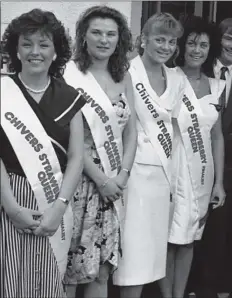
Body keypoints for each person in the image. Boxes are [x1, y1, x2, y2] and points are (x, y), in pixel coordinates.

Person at [0, 8, 86, 297]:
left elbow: (76, 158)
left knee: (47, 282)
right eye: (26, 43)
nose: (35, 52)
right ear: (16, 49)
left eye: (44, 44)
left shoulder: (70, 97)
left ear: (55, 51)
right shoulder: (3, 91)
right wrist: (12, 208)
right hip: (7, 200)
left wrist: (59, 208)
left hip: (54, 199)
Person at [62, 6, 137, 298]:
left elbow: (132, 131)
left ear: (120, 39)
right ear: (83, 36)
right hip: (81, 180)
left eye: (111, 34)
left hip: (115, 183)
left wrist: (122, 175)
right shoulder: (69, 75)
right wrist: (102, 181)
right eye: (96, 32)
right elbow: (70, 137)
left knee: (102, 268)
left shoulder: (123, 75)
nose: (103, 40)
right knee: (71, 269)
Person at [111, 12, 183, 298]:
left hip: (163, 173)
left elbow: (177, 130)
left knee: (154, 249)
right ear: (143, 40)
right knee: (134, 251)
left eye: (171, 41)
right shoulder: (127, 72)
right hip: (133, 172)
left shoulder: (176, 78)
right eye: (159, 39)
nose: (165, 47)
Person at [159, 15, 226, 298]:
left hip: (201, 172)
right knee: (166, 239)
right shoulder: (166, 77)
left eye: (204, 45)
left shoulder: (217, 86)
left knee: (188, 239)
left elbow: (217, 136)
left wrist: (219, 182)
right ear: (182, 46)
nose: (197, 50)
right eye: (192, 43)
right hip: (171, 168)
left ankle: (180, 293)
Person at [191, 17, 232, 298]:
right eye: (229, 39)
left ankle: (209, 288)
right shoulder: (197, 68)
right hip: (191, 160)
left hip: (227, 168)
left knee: (220, 234)